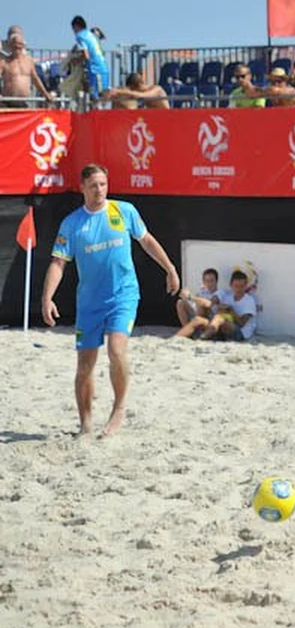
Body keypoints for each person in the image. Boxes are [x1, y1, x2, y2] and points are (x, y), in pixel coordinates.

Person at [41, 164, 180, 436]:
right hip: (90, 303)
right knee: (85, 365)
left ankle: (118, 409)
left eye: (103, 184)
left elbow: (147, 240)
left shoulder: (123, 210)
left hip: (123, 295)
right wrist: (47, 298)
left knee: (116, 350)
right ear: (82, 187)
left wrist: (170, 269)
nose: (99, 190)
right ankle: (85, 424)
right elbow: (58, 263)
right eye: (93, 185)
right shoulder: (72, 224)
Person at [197, 270, 257, 341]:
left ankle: (203, 337)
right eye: (236, 286)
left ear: (246, 286)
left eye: (242, 286)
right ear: (231, 285)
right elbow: (216, 308)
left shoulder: (249, 300)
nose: (239, 289)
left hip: (242, 333)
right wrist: (221, 309)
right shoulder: (227, 296)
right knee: (201, 319)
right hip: (226, 328)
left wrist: (231, 311)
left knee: (219, 319)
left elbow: (241, 323)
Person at [0, 31, 56, 107]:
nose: (17, 46)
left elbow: (36, 79)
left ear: (23, 46)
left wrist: (45, 94)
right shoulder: (4, 62)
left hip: (23, 103)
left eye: (20, 44)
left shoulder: (29, 61)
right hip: (7, 103)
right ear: (10, 45)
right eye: (15, 44)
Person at [174, 267, 222, 336]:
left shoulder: (220, 293)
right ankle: (187, 331)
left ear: (216, 281)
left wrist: (190, 296)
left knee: (201, 304)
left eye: (212, 281)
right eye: (207, 281)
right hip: (198, 314)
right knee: (180, 303)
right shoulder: (202, 292)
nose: (209, 283)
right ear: (203, 282)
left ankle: (190, 331)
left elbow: (208, 304)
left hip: (210, 318)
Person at [71, 15, 109, 99]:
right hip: (103, 68)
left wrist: (75, 61)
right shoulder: (90, 34)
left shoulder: (80, 36)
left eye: (73, 29)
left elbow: (86, 55)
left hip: (95, 69)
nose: (73, 31)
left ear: (76, 26)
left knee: (95, 98)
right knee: (103, 98)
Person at [104, 72, 169, 109]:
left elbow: (142, 95)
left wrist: (120, 91)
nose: (131, 92)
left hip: (166, 119)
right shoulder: (138, 92)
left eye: (132, 89)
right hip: (154, 121)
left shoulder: (157, 89)